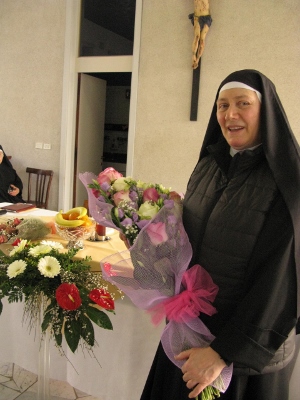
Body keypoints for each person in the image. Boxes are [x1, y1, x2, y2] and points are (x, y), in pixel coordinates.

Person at [140, 70, 300, 400]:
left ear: (266, 111)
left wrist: (222, 353)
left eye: (243, 104)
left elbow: (281, 281)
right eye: (222, 105)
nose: (230, 114)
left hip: (240, 354)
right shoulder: (208, 167)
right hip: (192, 332)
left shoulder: (288, 181)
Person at [189, 0, 212, 69]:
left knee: (201, 39)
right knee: (197, 37)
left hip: (205, 17)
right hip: (197, 17)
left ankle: (197, 58)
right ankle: (194, 57)